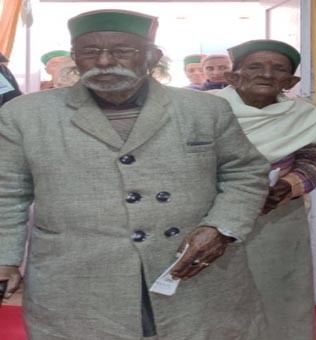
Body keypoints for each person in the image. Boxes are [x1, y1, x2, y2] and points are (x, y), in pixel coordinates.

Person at [0, 10, 271, 340]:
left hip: (188, 270)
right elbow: (7, 191)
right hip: (77, 277)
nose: (104, 60)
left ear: (152, 56)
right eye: (89, 52)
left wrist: (221, 227)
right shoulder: (26, 115)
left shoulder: (203, 109)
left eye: (121, 50)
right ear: (74, 58)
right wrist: (5, 258)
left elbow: (245, 171)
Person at [214, 39, 316, 340]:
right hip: (209, 218)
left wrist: (288, 186)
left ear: (290, 81)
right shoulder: (206, 111)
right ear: (233, 76)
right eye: (255, 66)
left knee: (280, 299)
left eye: (278, 69)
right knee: (212, 299)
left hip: (277, 221)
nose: (267, 74)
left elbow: (314, 161)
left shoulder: (304, 115)